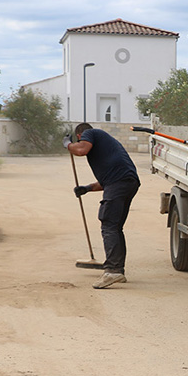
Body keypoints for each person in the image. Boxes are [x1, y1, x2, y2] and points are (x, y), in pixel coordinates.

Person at [65, 123, 140, 289]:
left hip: (120, 183)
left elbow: (80, 150)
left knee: (109, 225)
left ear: (79, 136)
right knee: (115, 227)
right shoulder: (104, 142)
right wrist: (87, 188)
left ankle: (113, 271)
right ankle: (117, 270)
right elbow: (108, 181)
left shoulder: (90, 133)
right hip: (128, 183)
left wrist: (68, 145)